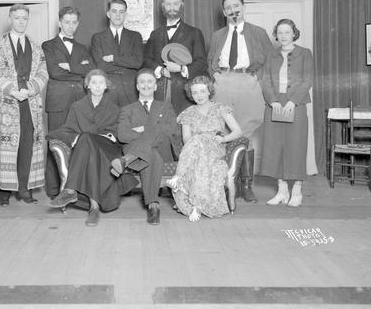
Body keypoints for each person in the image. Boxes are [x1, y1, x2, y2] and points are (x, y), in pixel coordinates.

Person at [48, 70, 139, 226]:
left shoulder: (114, 108)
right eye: (94, 83)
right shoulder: (77, 107)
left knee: (86, 139)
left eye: (101, 83)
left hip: (107, 148)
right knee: (86, 140)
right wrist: (76, 138)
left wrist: (110, 136)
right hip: (88, 148)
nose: (97, 86)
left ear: (106, 86)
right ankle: (94, 208)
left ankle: (70, 190)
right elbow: (68, 129)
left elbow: (119, 131)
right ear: (88, 85)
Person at [207, 0, 274, 202]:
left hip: (248, 82)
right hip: (224, 82)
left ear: (243, 8)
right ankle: (228, 183)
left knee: (247, 134)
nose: (233, 10)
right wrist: (216, 77)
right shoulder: (218, 35)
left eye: (236, 6)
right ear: (224, 12)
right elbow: (210, 60)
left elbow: (270, 61)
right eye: (228, 8)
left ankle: (246, 185)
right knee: (224, 131)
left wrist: (256, 80)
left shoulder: (258, 32)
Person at [0, 4, 49, 206]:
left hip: (30, 102)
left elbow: (43, 72)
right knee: (7, 146)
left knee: (26, 146)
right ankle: (4, 192)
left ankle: (24, 189)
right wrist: (12, 90)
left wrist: (31, 89)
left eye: (24, 18)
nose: (21, 22)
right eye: (17, 18)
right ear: (10, 19)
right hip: (8, 103)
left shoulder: (36, 46)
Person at [166, 76, 242, 221]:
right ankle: (197, 207)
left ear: (209, 91)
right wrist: (199, 144)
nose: (199, 96)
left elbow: (238, 131)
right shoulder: (188, 112)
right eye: (195, 93)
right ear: (191, 94)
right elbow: (186, 139)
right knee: (198, 150)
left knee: (199, 141)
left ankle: (178, 177)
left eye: (202, 91)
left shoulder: (220, 108)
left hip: (215, 148)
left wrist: (224, 139)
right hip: (195, 151)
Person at [112, 68, 179, 225]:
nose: (146, 85)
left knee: (156, 136)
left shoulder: (166, 107)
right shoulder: (127, 109)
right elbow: (122, 134)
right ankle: (153, 205)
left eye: (150, 82)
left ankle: (126, 160)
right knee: (151, 153)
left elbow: (171, 130)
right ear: (137, 86)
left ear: (156, 86)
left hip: (160, 150)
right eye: (142, 82)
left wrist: (142, 129)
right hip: (150, 154)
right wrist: (153, 128)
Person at [260, 19, 313, 207]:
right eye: (280, 32)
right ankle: (282, 191)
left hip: (295, 104)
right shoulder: (271, 55)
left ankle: (296, 191)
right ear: (276, 34)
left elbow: (307, 80)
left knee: (295, 146)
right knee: (276, 148)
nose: (283, 36)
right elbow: (265, 81)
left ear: (294, 33)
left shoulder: (305, 54)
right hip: (274, 104)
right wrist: (273, 101)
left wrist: (293, 101)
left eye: (287, 32)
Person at [42, 6, 94, 198]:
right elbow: (54, 72)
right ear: (60, 23)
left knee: (78, 144)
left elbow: (91, 71)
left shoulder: (82, 48)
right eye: (67, 22)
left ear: (78, 24)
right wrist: (79, 70)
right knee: (56, 142)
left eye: (74, 22)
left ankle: (75, 188)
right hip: (58, 101)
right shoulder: (48, 46)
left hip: (80, 101)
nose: (70, 26)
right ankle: (54, 190)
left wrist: (69, 67)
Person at [143, 0, 207, 115]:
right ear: (163, 7)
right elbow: (146, 60)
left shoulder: (194, 33)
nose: (172, 7)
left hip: (184, 93)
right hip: (158, 91)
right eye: (168, 4)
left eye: (175, 3)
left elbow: (202, 63)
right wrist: (160, 70)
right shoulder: (155, 34)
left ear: (182, 5)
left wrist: (181, 68)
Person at [90, 0, 143, 107]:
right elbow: (100, 65)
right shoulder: (97, 38)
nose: (118, 15)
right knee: (107, 122)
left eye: (121, 12)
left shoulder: (135, 36)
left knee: (131, 123)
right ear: (108, 14)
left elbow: (137, 62)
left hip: (130, 90)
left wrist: (113, 59)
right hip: (108, 90)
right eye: (114, 11)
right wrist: (127, 63)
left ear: (126, 14)